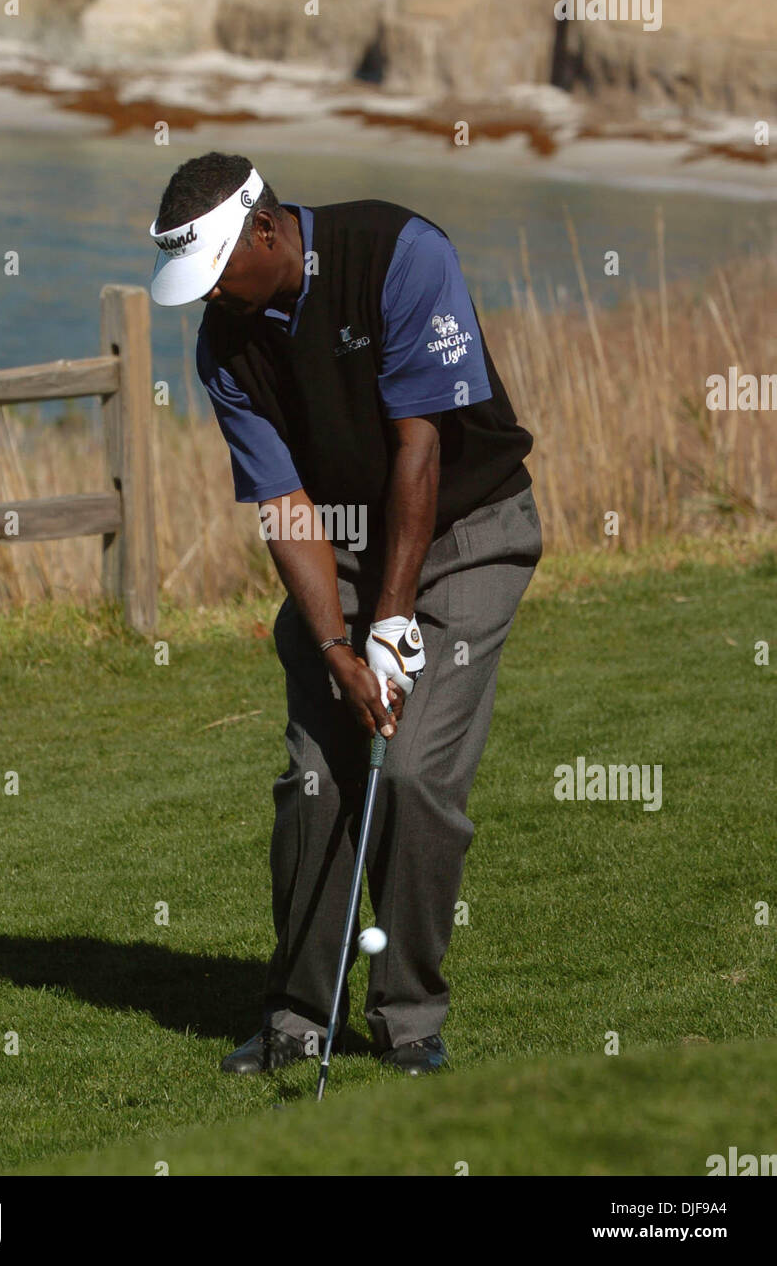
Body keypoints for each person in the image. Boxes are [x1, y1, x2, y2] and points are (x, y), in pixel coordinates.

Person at [148, 152, 542, 1076]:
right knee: (314, 784)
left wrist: (392, 623)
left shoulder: (399, 253)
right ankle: (297, 1017)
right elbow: (284, 506)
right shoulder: (225, 344)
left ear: (268, 232)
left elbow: (420, 449)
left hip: (467, 532)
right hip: (341, 554)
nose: (209, 300)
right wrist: (334, 645)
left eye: (215, 275)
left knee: (407, 775)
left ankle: (406, 1017)